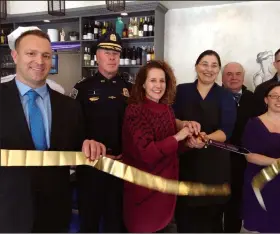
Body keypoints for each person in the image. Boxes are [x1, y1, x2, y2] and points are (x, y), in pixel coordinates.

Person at [0, 27, 106, 232]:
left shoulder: (70, 106)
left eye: (46, 55)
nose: (39, 61)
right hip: (8, 212)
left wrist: (88, 145)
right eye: (31, 53)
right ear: (15, 56)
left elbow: (77, 148)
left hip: (56, 212)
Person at [121, 60, 200, 233]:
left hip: (167, 191)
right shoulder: (135, 111)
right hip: (144, 191)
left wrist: (190, 142)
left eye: (162, 80)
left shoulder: (167, 109)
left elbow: (173, 148)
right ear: (142, 83)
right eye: (153, 80)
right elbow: (146, 153)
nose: (158, 85)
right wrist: (178, 136)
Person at [71, 31, 132, 232]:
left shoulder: (130, 89)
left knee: (118, 224)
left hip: (121, 169)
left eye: (116, 52)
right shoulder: (82, 88)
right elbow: (72, 129)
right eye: (106, 51)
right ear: (97, 55)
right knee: (89, 222)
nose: (112, 57)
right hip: (91, 170)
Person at [173, 50, 237, 233]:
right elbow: (171, 119)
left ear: (218, 70)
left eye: (214, 65)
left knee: (212, 221)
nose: (209, 69)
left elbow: (226, 131)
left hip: (215, 167)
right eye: (204, 64)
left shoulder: (225, 96)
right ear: (196, 66)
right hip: (186, 163)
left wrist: (204, 139)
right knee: (185, 220)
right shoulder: (181, 91)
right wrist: (183, 125)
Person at [241, 82, 280, 233]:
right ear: (266, 100)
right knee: (266, 227)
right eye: (275, 96)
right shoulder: (254, 124)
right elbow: (249, 156)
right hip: (264, 184)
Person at [221, 62, 255, 233]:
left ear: (243, 75)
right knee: (213, 206)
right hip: (216, 161)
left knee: (235, 207)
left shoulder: (253, 99)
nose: (233, 78)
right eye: (229, 74)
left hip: (243, 163)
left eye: (237, 74)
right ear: (222, 77)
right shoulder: (214, 96)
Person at [1, 73, 66, 94]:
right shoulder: (2, 88)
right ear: (15, 56)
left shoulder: (57, 89)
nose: (39, 61)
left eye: (45, 56)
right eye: (30, 54)